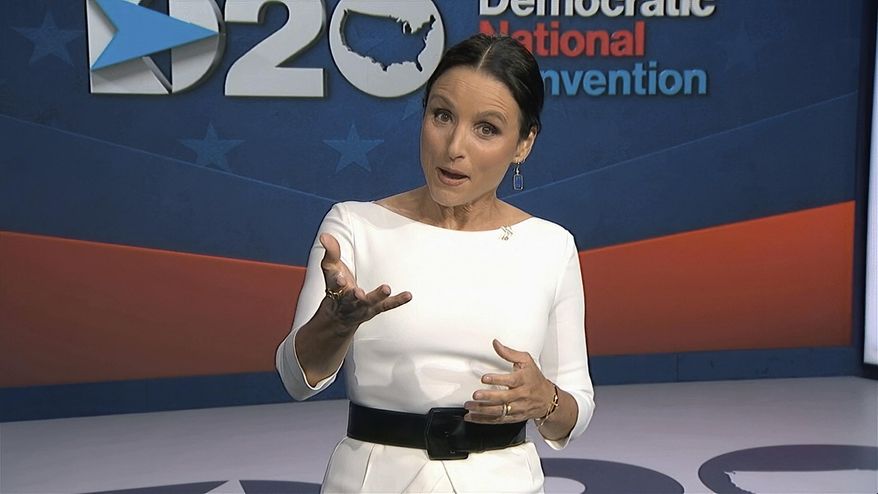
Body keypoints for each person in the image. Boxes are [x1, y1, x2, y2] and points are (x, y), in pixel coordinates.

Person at [276, 33, 595, 493]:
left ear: (524, 143)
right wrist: (336, 323)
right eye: (442, 115)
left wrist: (544, 399)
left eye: (487, 128)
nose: (453, 147)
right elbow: (296, 379)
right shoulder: (354, 226)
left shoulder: (551, 245)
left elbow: (573, 413)